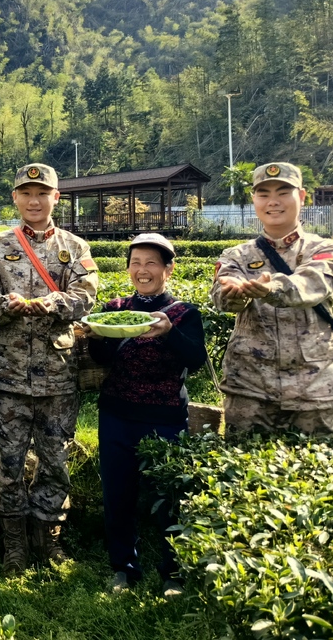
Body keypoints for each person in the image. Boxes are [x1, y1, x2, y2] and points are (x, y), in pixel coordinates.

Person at [0, 163, 98, 574]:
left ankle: (48, 539)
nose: (34, 201)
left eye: (42, 193)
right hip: (7, 376)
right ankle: (13, 543)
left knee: (55, 461)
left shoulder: (75, 247)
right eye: (26, 193)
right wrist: (2, 305)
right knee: (8, 463)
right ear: (15, 198)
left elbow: (86, 294)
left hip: (58, 373)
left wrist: (56, 303)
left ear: (55, 198)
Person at [85, 233, 206, 596]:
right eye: (135, 263)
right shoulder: (115, 307)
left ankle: (173, 571)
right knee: (117, 493)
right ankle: (123, 567)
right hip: (116, 415)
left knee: (167, 496)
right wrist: (94, 334)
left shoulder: (183, 313)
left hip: (164, 416)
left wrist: (169, 333)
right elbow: (102, 359)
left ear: (168, 269)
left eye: (152, 263)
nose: (142, 270)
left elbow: (195, 359)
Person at [211, 162, 333, 436]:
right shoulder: (235, 256)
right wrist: (232, 292)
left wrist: (271, 288)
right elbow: (222, 299)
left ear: (302, 196)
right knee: (241, 469)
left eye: (283, 192)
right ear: (254, 199)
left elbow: (312, 282)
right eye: (263, 194)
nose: (273, 202)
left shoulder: (326, 249)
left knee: (316, 470)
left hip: (315, 387)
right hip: (250, 387)